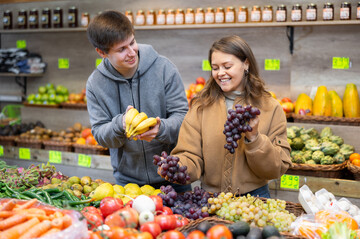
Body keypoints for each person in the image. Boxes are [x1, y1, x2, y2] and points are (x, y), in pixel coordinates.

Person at [161, 35, 292, 198]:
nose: (220, 73)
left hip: (255, 201)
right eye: (215, 68)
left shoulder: (270, 107)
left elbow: (277, 168)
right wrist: (177, 167)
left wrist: (255, 139)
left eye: (227, 66)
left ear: (246, 64)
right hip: (210, 200)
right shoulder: (201, 107)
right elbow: (190, 155)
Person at [85, 10, 190, 192]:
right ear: (102, 52)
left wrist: (162, 129)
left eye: (132, 42)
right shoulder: (95, 84)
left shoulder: (164, 68)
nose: (132, 52)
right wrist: (120, 124)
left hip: (173, 177)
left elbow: (184, 117)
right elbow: (100, 133)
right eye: (121, 49)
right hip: (128, 183)